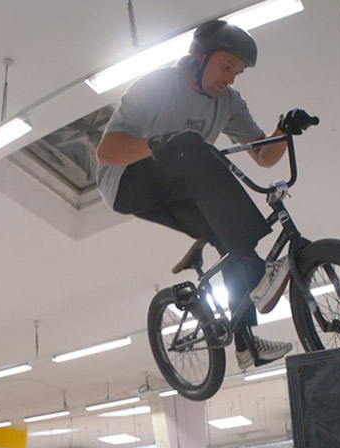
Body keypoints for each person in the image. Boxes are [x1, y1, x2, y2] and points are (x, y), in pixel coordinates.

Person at [98, 20, 310, 371]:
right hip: (127, 182)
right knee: (192, 149)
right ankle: (260, 275)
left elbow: (263, 157)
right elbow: (106, 152)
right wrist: (157, 145)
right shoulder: (157, 85)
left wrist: (283, 132)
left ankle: (246, 345)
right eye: (226, 66)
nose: (229, 78)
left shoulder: (228, 102)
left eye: (237, 73)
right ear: (198, 55)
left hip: (182, 185)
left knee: (229, 238)